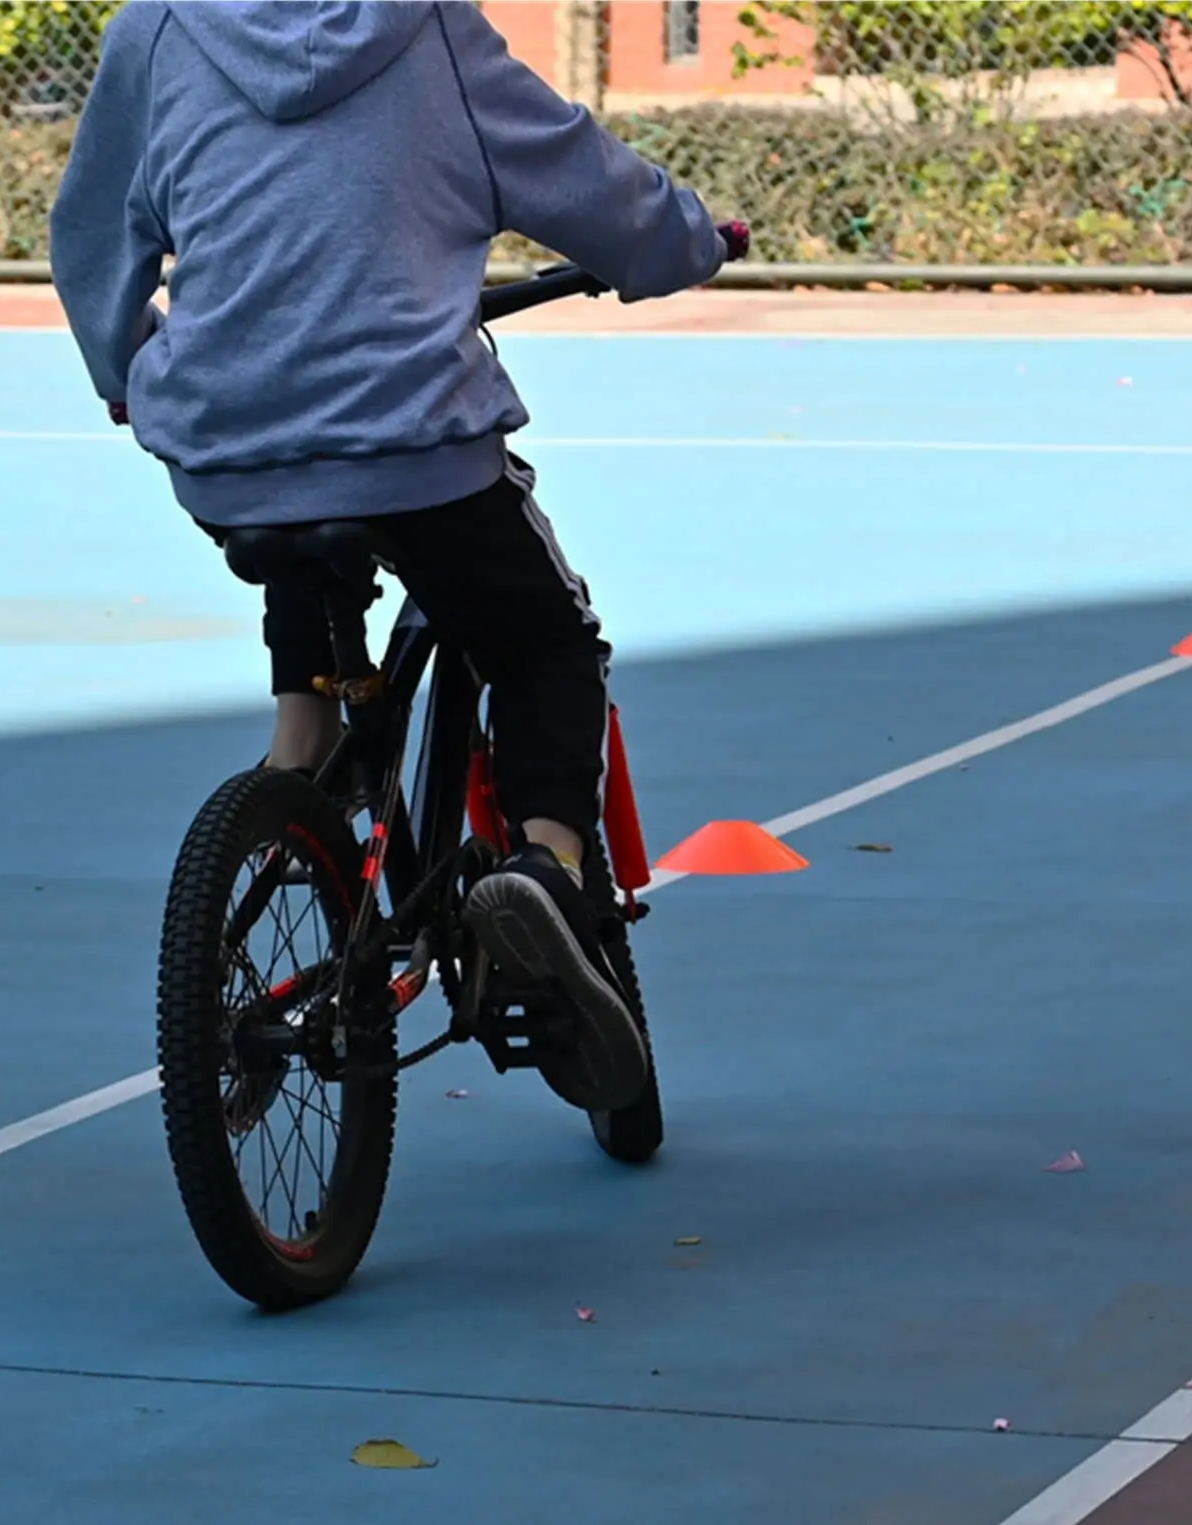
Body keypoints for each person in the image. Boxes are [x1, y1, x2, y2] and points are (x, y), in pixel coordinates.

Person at [50, 1, 740, 1112]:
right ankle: (548, 867)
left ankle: (294, 777)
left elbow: (92, 236)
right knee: (542, 644)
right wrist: (686, 242)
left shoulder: (158, 30)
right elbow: (579, 177)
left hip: (228, 443)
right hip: (410, 441)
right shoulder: (426, 31)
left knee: (297, 506)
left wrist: (124, 374)